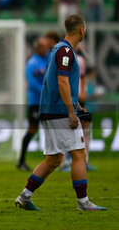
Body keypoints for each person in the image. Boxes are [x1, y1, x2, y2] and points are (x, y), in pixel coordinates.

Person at [15, 15, 107, 211]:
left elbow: (60, 83)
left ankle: (24, 197)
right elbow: (62, 81)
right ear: (82, 30)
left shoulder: (58, 49)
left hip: (50, 110)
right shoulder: (65, 51)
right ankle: (83, 202)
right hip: (60, 112)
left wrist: (75, 105)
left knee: (54, 159)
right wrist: (71, 111)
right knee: (79, 155)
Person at [17, 37, 49, 171]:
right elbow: (32, 84)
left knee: (52, 130)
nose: (45, 49)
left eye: (47, 46)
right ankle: (21, 160)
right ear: (37, 48)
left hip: (49, 102)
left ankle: (55, 161)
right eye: (42, 46)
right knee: (32, 129)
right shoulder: (32, 63)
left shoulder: (50, 59)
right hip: (36, 102)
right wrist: (49, 92)